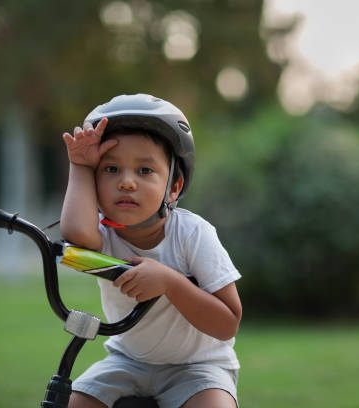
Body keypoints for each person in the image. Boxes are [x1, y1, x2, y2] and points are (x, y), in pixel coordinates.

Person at [60, 94, 242, 408]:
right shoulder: (101, 235)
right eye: (111, 169)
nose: (127, 182)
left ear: (173, 187)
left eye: (145, 171)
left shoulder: (193, 234)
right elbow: (74, 232)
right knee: (73, 402)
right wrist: (80, 166)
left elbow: (227, 323)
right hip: (127, 361)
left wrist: (170, 282)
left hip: (198, 367)